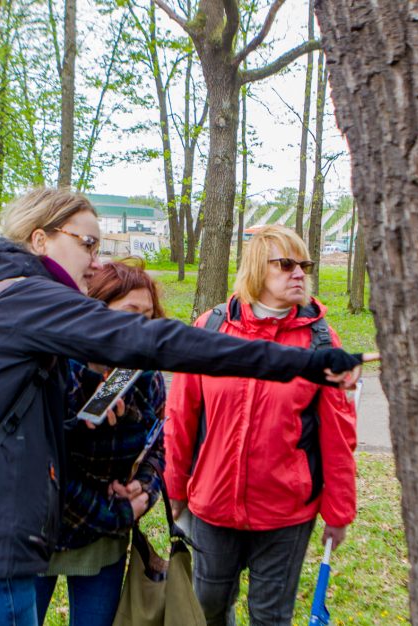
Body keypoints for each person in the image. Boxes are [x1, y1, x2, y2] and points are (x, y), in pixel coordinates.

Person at [0, 188, 365, 626]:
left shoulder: (5, 296)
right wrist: (304, 363)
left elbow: (19, 423)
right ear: (40, 239)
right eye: (87, 243)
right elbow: (156, 341)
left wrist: (99, 439)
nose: (96, 259)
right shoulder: (28, 297)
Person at [164, 225, 358, 626]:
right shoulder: (211, 328)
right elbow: (182, 416)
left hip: (286, 512)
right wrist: (175, 488)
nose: (299, 273)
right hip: (213, 505)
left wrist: (338, 511)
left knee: (270, 616)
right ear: (256, 268)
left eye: (304, 264)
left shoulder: (322, 342)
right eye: (286, 264)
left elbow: (339, 434)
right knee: (208, 606)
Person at [35, 259, 167, 626]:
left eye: (148, 314)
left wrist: (142, 487)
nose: (140, 324)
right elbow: (43, 462)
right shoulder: (55, 367)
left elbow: (159, 443)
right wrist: (116, 513)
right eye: (129, 311)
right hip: (42, 529)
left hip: (104, 540)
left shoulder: (146, 376)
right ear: (96, 310)